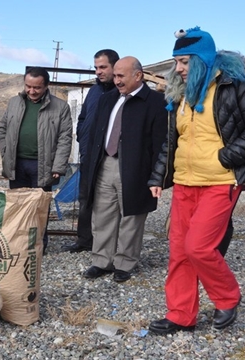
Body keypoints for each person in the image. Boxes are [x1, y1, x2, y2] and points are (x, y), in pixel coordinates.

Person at [147, 27, 245, 335]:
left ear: (203, 59)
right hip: (184, 182)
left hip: (221, 181)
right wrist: (158, 176)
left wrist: (224, 158)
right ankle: (181, 315)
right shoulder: (181, 94)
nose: (177, 68)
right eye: (177, 61)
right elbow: (172, 139)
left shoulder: (236, 85)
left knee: (198, 247)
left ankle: (228, 296)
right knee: (179, 251)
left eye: (184, 62)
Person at [80, 56, 168, 282]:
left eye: (121, 76)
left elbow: (162, 143)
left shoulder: (156, 103)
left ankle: (125, 263)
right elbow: (97, 135)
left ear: (138, 76)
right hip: (105, 164)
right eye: (115, 75)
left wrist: (157, 177)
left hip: (137, 168)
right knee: (102, 215)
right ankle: (101, 260)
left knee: (132, 217)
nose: (116, 80)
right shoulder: (108, 99)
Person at [0, 66, 72, 254]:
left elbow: (65, 138)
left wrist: (58, 166)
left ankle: (38, 246)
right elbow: (3, 129)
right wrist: (5, 152)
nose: (31, 91)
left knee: (39, 208)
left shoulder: (61, 107)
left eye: (37, 88)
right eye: (28, 86)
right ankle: (18, 244)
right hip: (17, 164)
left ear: (46, 86)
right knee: (17, 206)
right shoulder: (14, 102)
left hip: (43, 166)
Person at [62, 49, 119, 253]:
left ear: (115, 66)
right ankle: (84, 240)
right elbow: (83, 117)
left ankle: (108, 244)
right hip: (88, 155)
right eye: (96, 68)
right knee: (85, 197)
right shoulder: (94, 91)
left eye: (103, 67)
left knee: (108, 203)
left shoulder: (121, 92)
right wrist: (81, 138)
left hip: (109, 158)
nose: (98, 72)